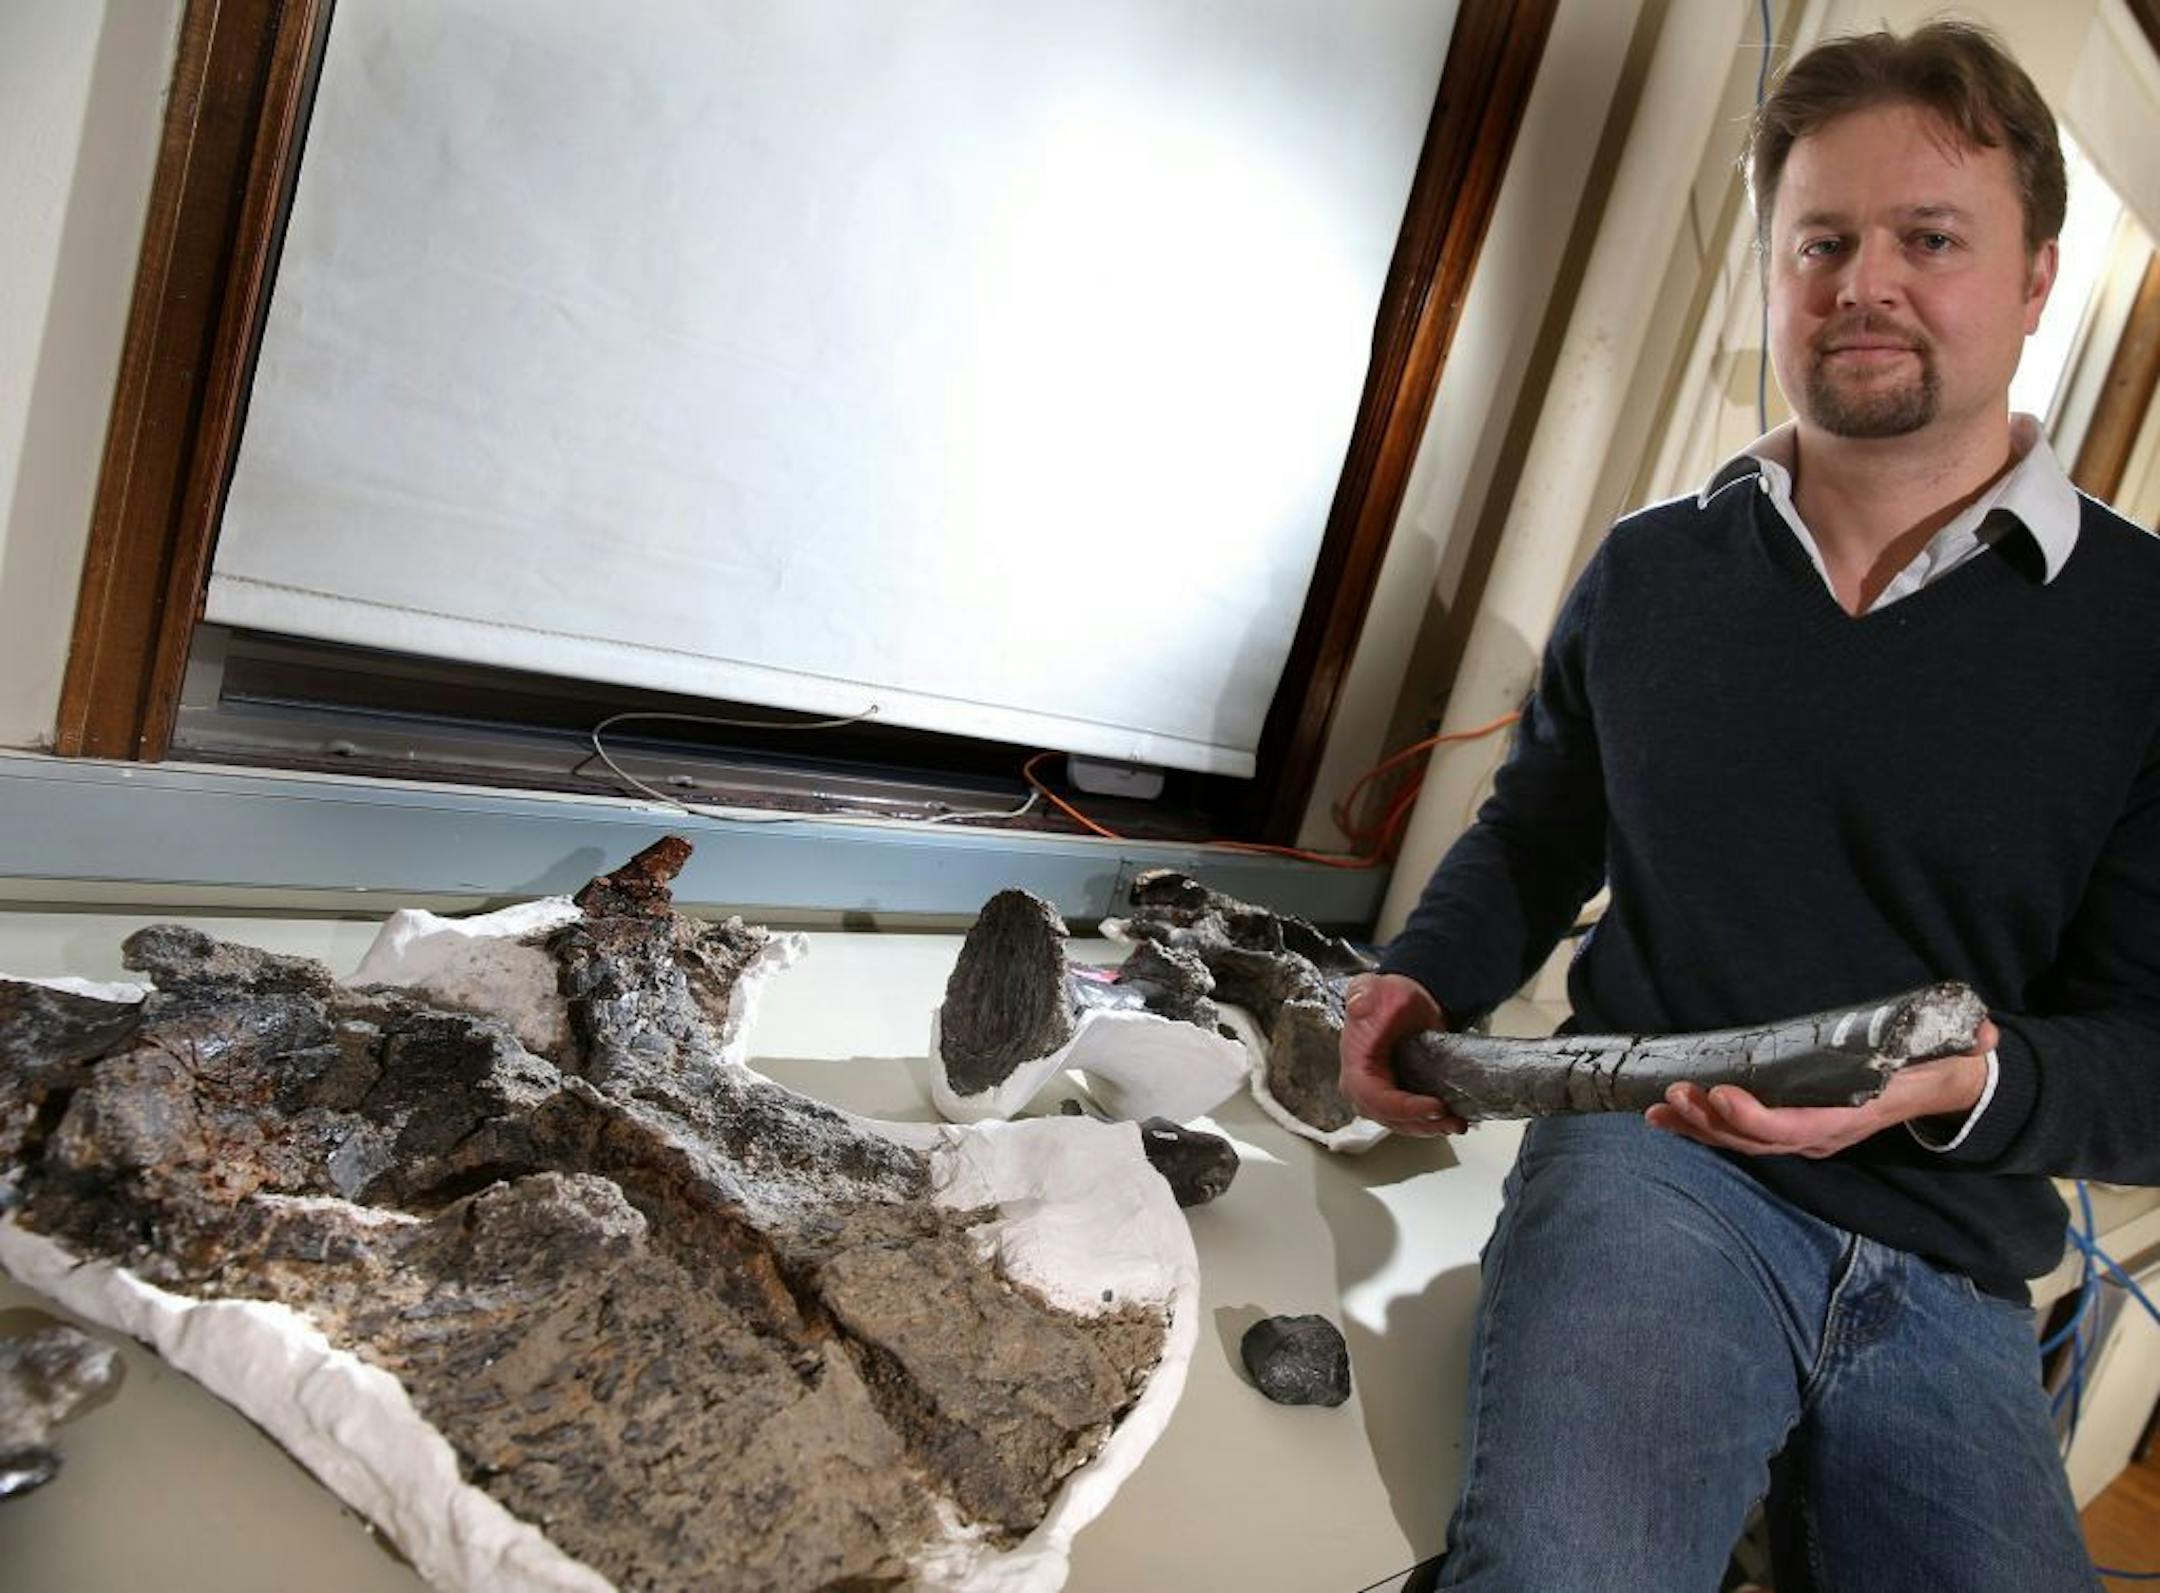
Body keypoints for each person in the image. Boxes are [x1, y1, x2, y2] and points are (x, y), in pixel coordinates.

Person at [1340, 21, 2160, 1592]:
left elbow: (2152, 1048)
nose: (1865, 282)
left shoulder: (2146, 634)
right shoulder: (1652, 572)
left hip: (1959, 1260)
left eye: (1930, 238)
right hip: (1659, 1172)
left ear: (2037, 277)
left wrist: (1959, 1085)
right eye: (1821, 242)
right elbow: (1534, 829)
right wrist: (1424, 973)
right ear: (1777, 273)